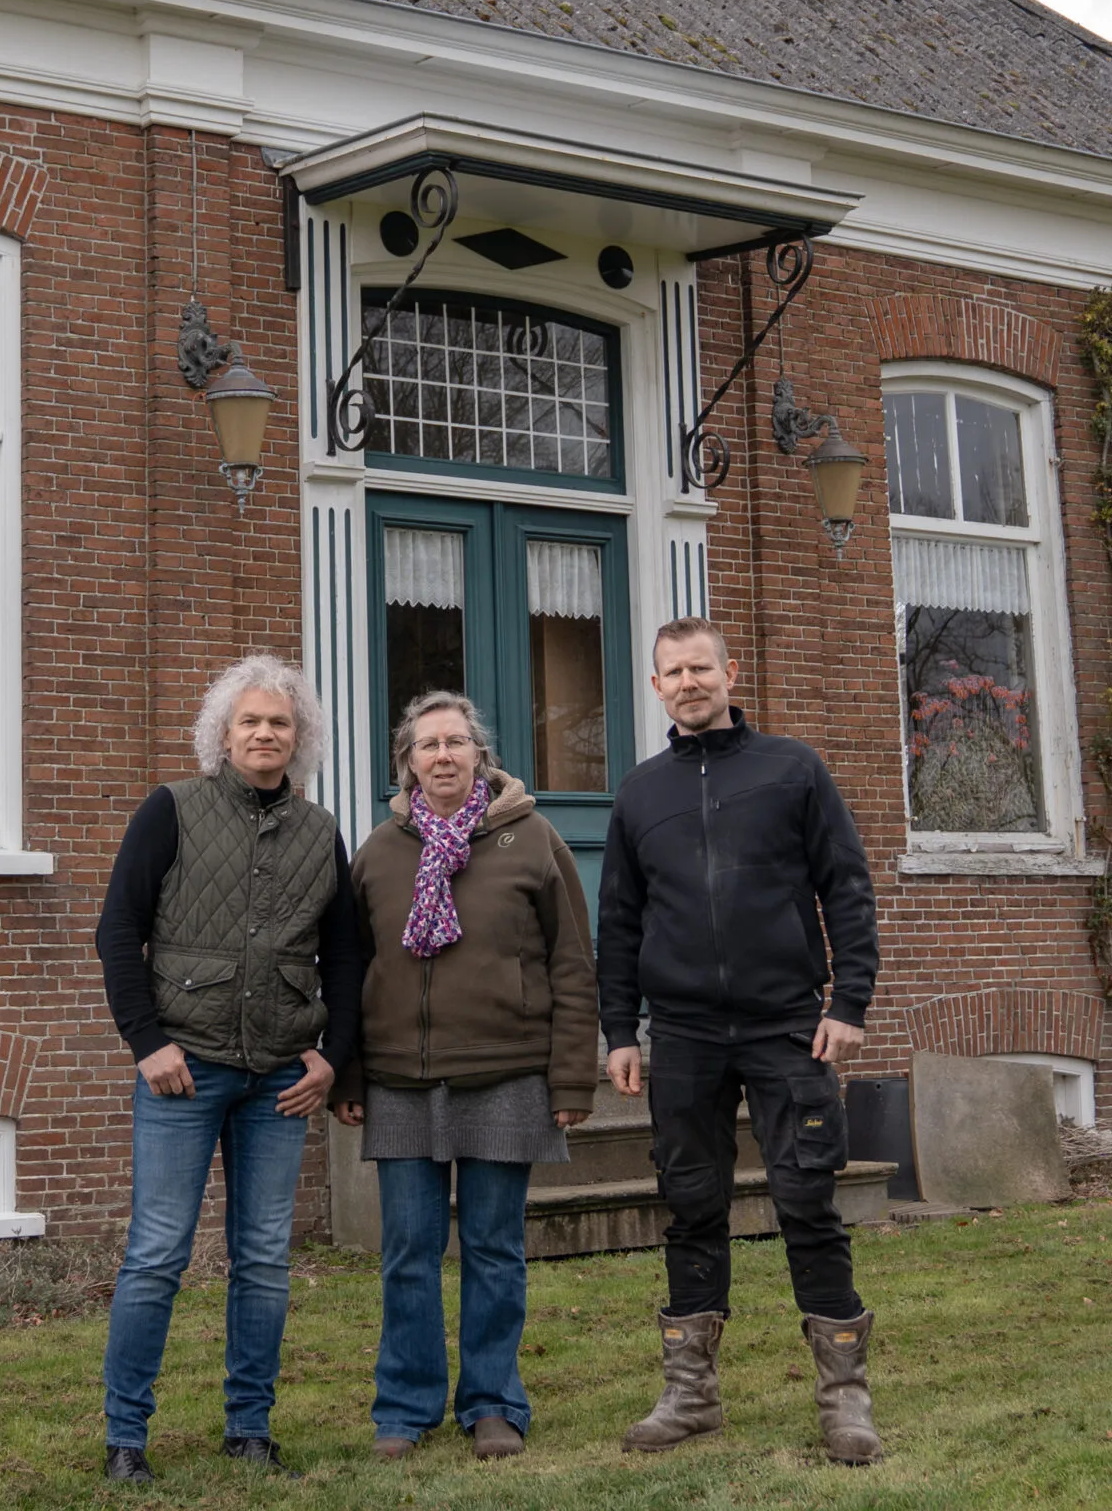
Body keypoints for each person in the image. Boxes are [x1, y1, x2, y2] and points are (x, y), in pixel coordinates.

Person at [595, 616, 884, 1464]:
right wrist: (621, 1029)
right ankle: (691, 1393)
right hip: (682, 1033)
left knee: (806, 1200)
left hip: (789, 1026)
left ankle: (845, 1397)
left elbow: (847, 887)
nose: (687, 682)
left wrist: (849, 1001)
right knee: (691, 1205)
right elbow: (618, 922)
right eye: (671, 672)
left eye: (700, 668)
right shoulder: (639, 792)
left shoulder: (791, 769)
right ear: (655, 687)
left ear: (729, 672)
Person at [91, 654, 365, 1483]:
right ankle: (125, 1437)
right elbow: (117, 932)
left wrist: (332, 1056)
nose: (265, 733)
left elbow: (349, 960)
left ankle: (250, 1428)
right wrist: (148, 1042)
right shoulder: (169, 809)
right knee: (158, 1253)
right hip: (183, 1070)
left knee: (264, 1257)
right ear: (222, 732)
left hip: (278, 1079)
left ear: (300, 737)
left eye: (280, 722)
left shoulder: (321, 833)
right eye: (249, 720)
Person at [335, 692, 598, 1462]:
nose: (442, 755)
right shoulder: (379, 851)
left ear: (480, 753)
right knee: (408, 1252)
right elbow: (351, 971)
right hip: (400, 1079)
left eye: (456, 742)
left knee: (493, 1248)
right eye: (427, 744)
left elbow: (574, 965)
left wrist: (571, 1080)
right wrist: (350, 1074)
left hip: (507, 1073)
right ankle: (405, 1407)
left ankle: (493, 1403)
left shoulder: (533, 837)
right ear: (407, 761)